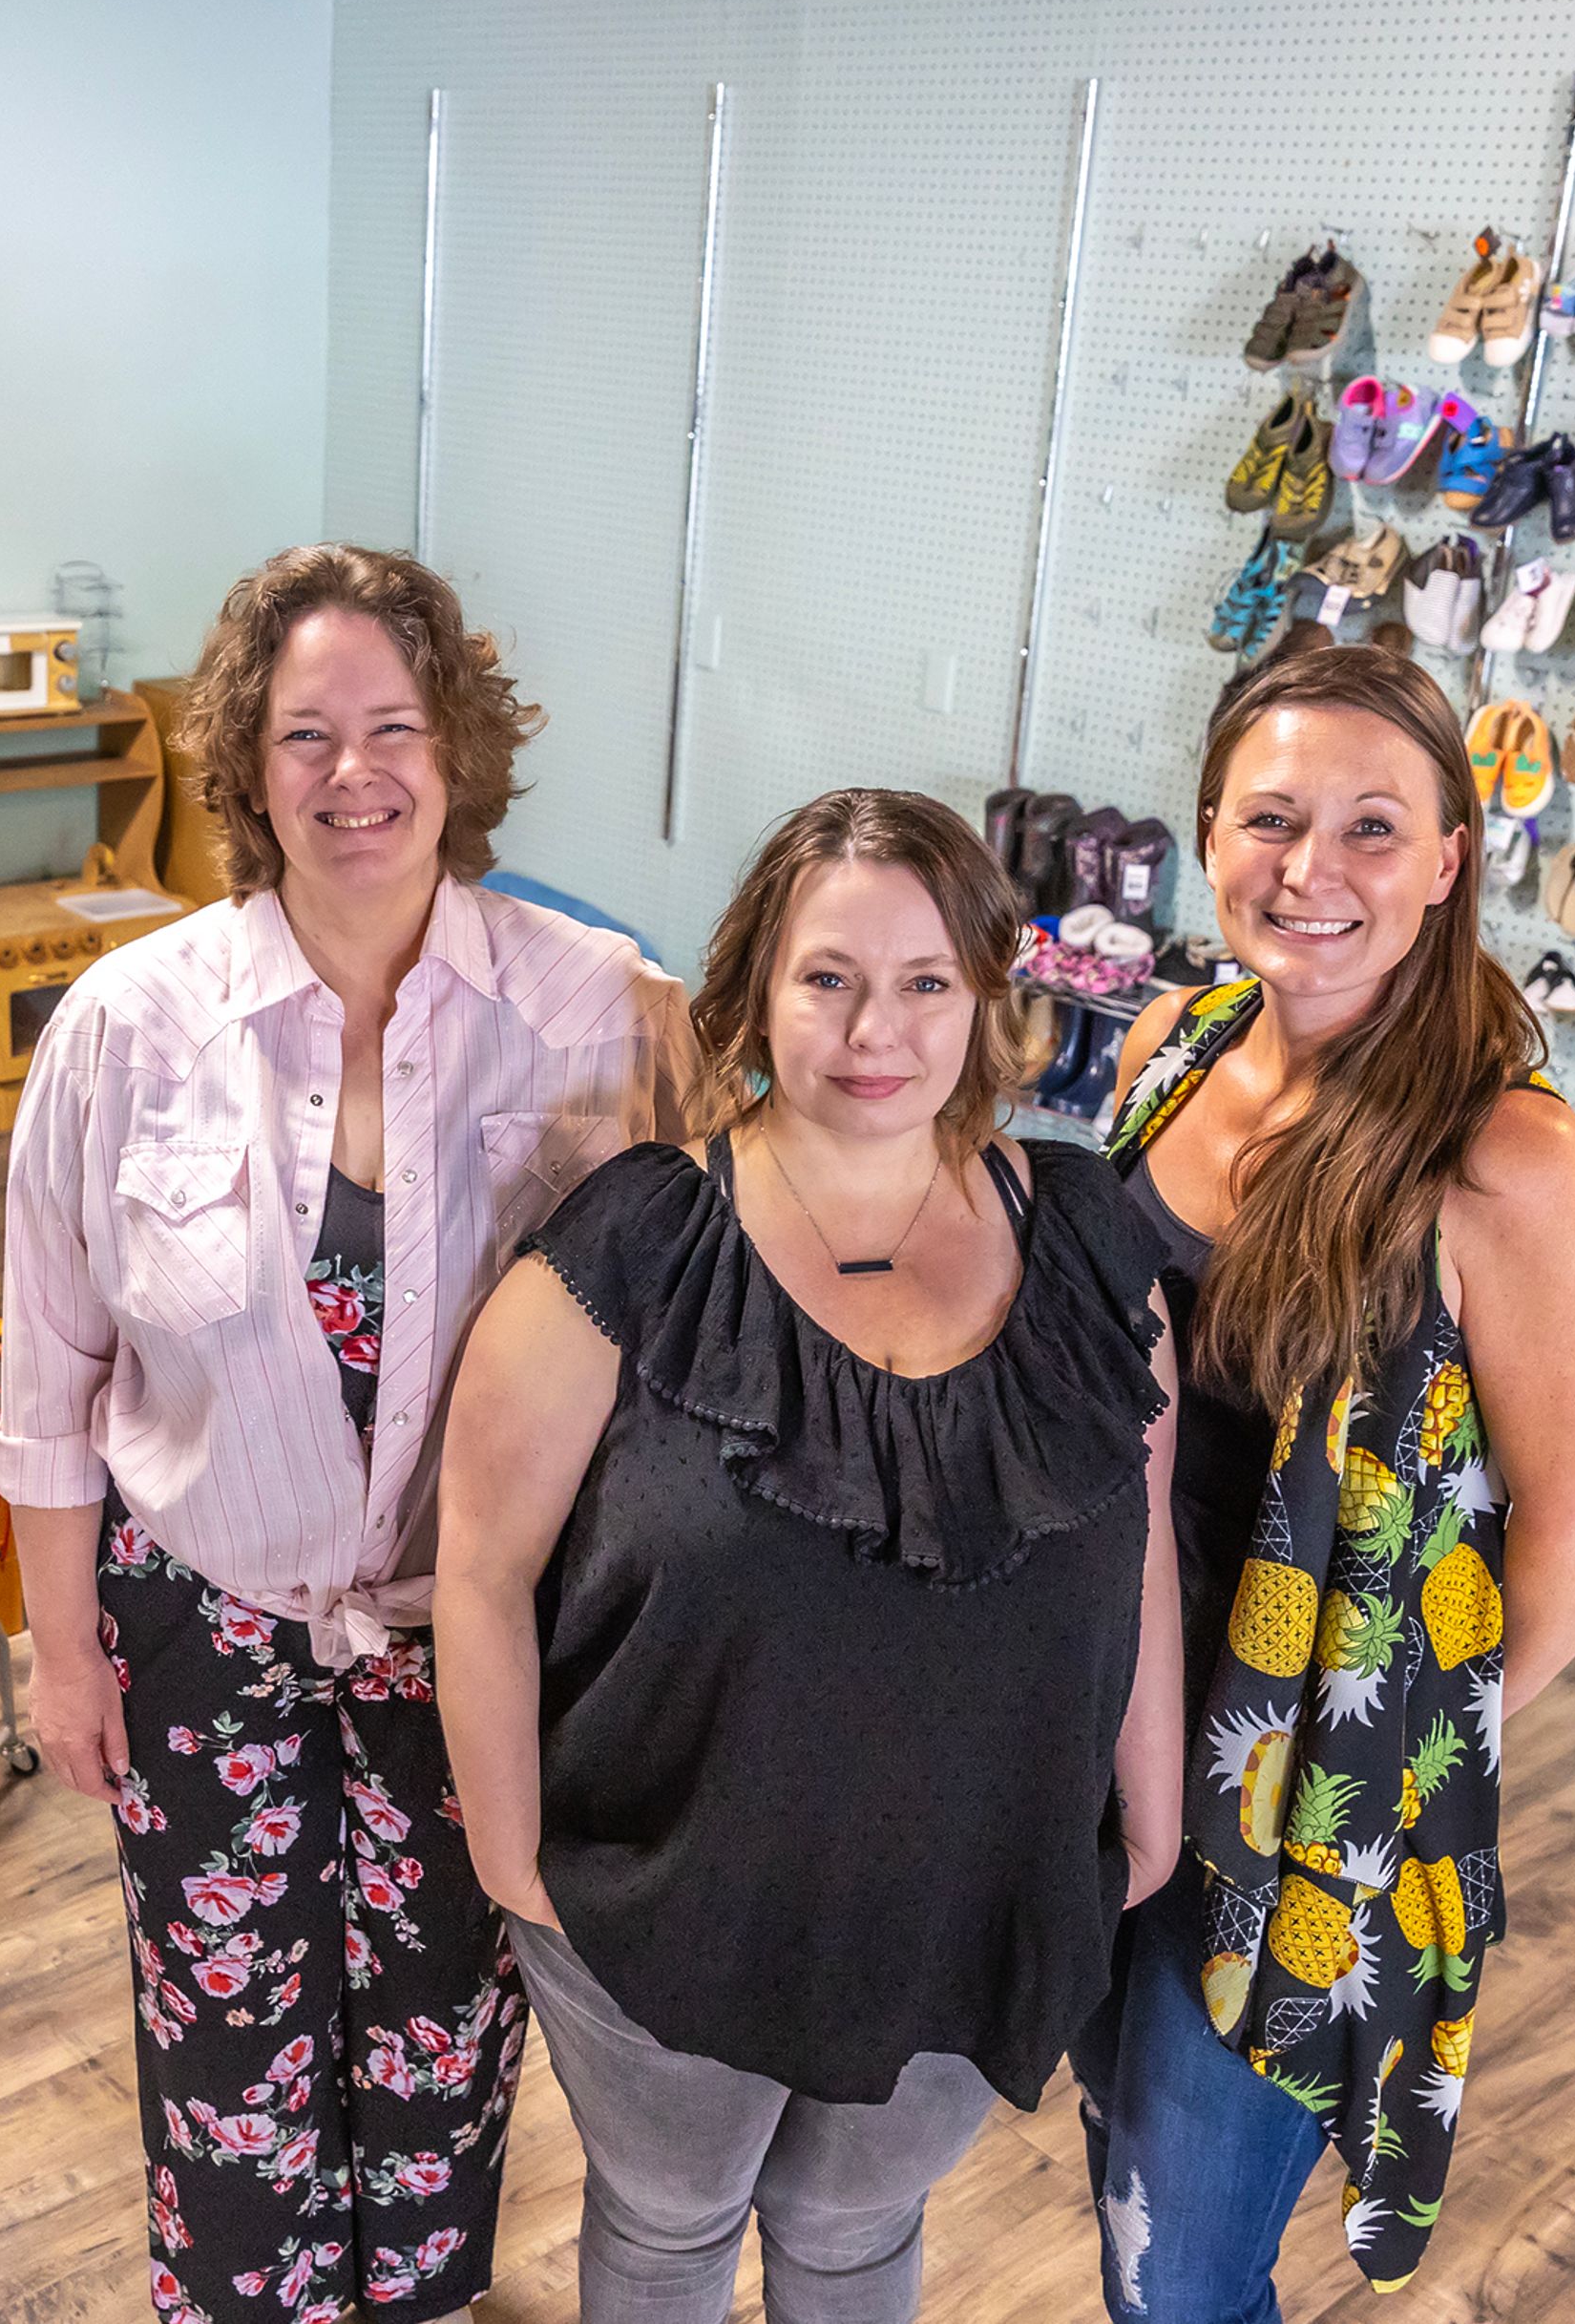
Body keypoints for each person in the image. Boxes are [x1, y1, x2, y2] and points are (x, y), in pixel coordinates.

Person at [0, 543, 693, 2324]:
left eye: (394, 728)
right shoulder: (126, 1030)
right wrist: (62, 1654)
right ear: (246, 766)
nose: (353, 773)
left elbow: (739, 1284)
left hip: (477, 1649)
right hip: (204, 1631)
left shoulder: (602, 1007)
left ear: (458, 753)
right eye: (306, 735)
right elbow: (53, 1377)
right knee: (228, 2054)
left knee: (446, 2036)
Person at [436, 789, 1186, 2324]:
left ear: (989, 1003)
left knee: (857, 2225)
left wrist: (1152, 1810)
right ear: (754, 997)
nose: (876, 1031)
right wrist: (511, 1854)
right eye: (827, 978)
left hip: (972, 1883)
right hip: (666, 1883)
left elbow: (1142, 1547)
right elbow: (481, 1565)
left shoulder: (1092, 1238)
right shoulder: (637, 1243)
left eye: (926, 983)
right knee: (667, 2221)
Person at [1079, 642, 1575, 2321]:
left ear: (1449, 861)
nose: (1311, 872)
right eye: (1270, 819)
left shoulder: (1505, 1159)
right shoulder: (1173, 1051)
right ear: (1207, 835)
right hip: (1105, 1711)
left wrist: (1400, 1750)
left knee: (1182, 2271)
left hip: (1297, 1798)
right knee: (1121, 2171)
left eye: (1371, 829)